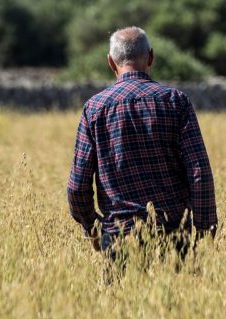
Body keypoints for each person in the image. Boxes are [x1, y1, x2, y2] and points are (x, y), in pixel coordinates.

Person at [66, 27, 217, 264]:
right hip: (175, 236)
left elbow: (77, 186)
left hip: (118, 238)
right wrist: (205, 231)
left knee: (120, 300)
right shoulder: (175, 102)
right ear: (151, 57)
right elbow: (199, 173)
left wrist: (93, 228)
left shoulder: (94, 108)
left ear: (110, 62)